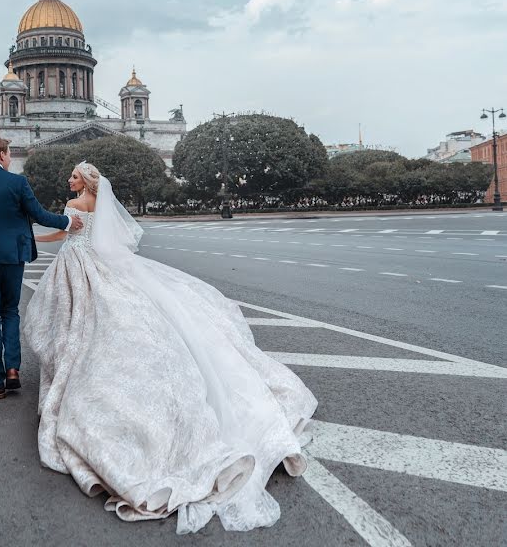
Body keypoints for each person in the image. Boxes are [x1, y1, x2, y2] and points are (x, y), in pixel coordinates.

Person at [22, 162, 318, 534]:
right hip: (96, 263)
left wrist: (30, 239)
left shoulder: (76, 206)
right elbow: (108, 239)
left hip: (78, 264)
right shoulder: (99, 205)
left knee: (78, 320)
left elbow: (65, 233)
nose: (70, 179)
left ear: (86, 181)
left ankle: (71, 361)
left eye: (75, 175)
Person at [0, 137, 83, 399]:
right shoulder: (17, 182)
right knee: (10, 312)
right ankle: (12, 369)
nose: (10, 158)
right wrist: (67, 221)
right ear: (0, 155)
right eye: (8, 154)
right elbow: (40, 214)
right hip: (12, 257)